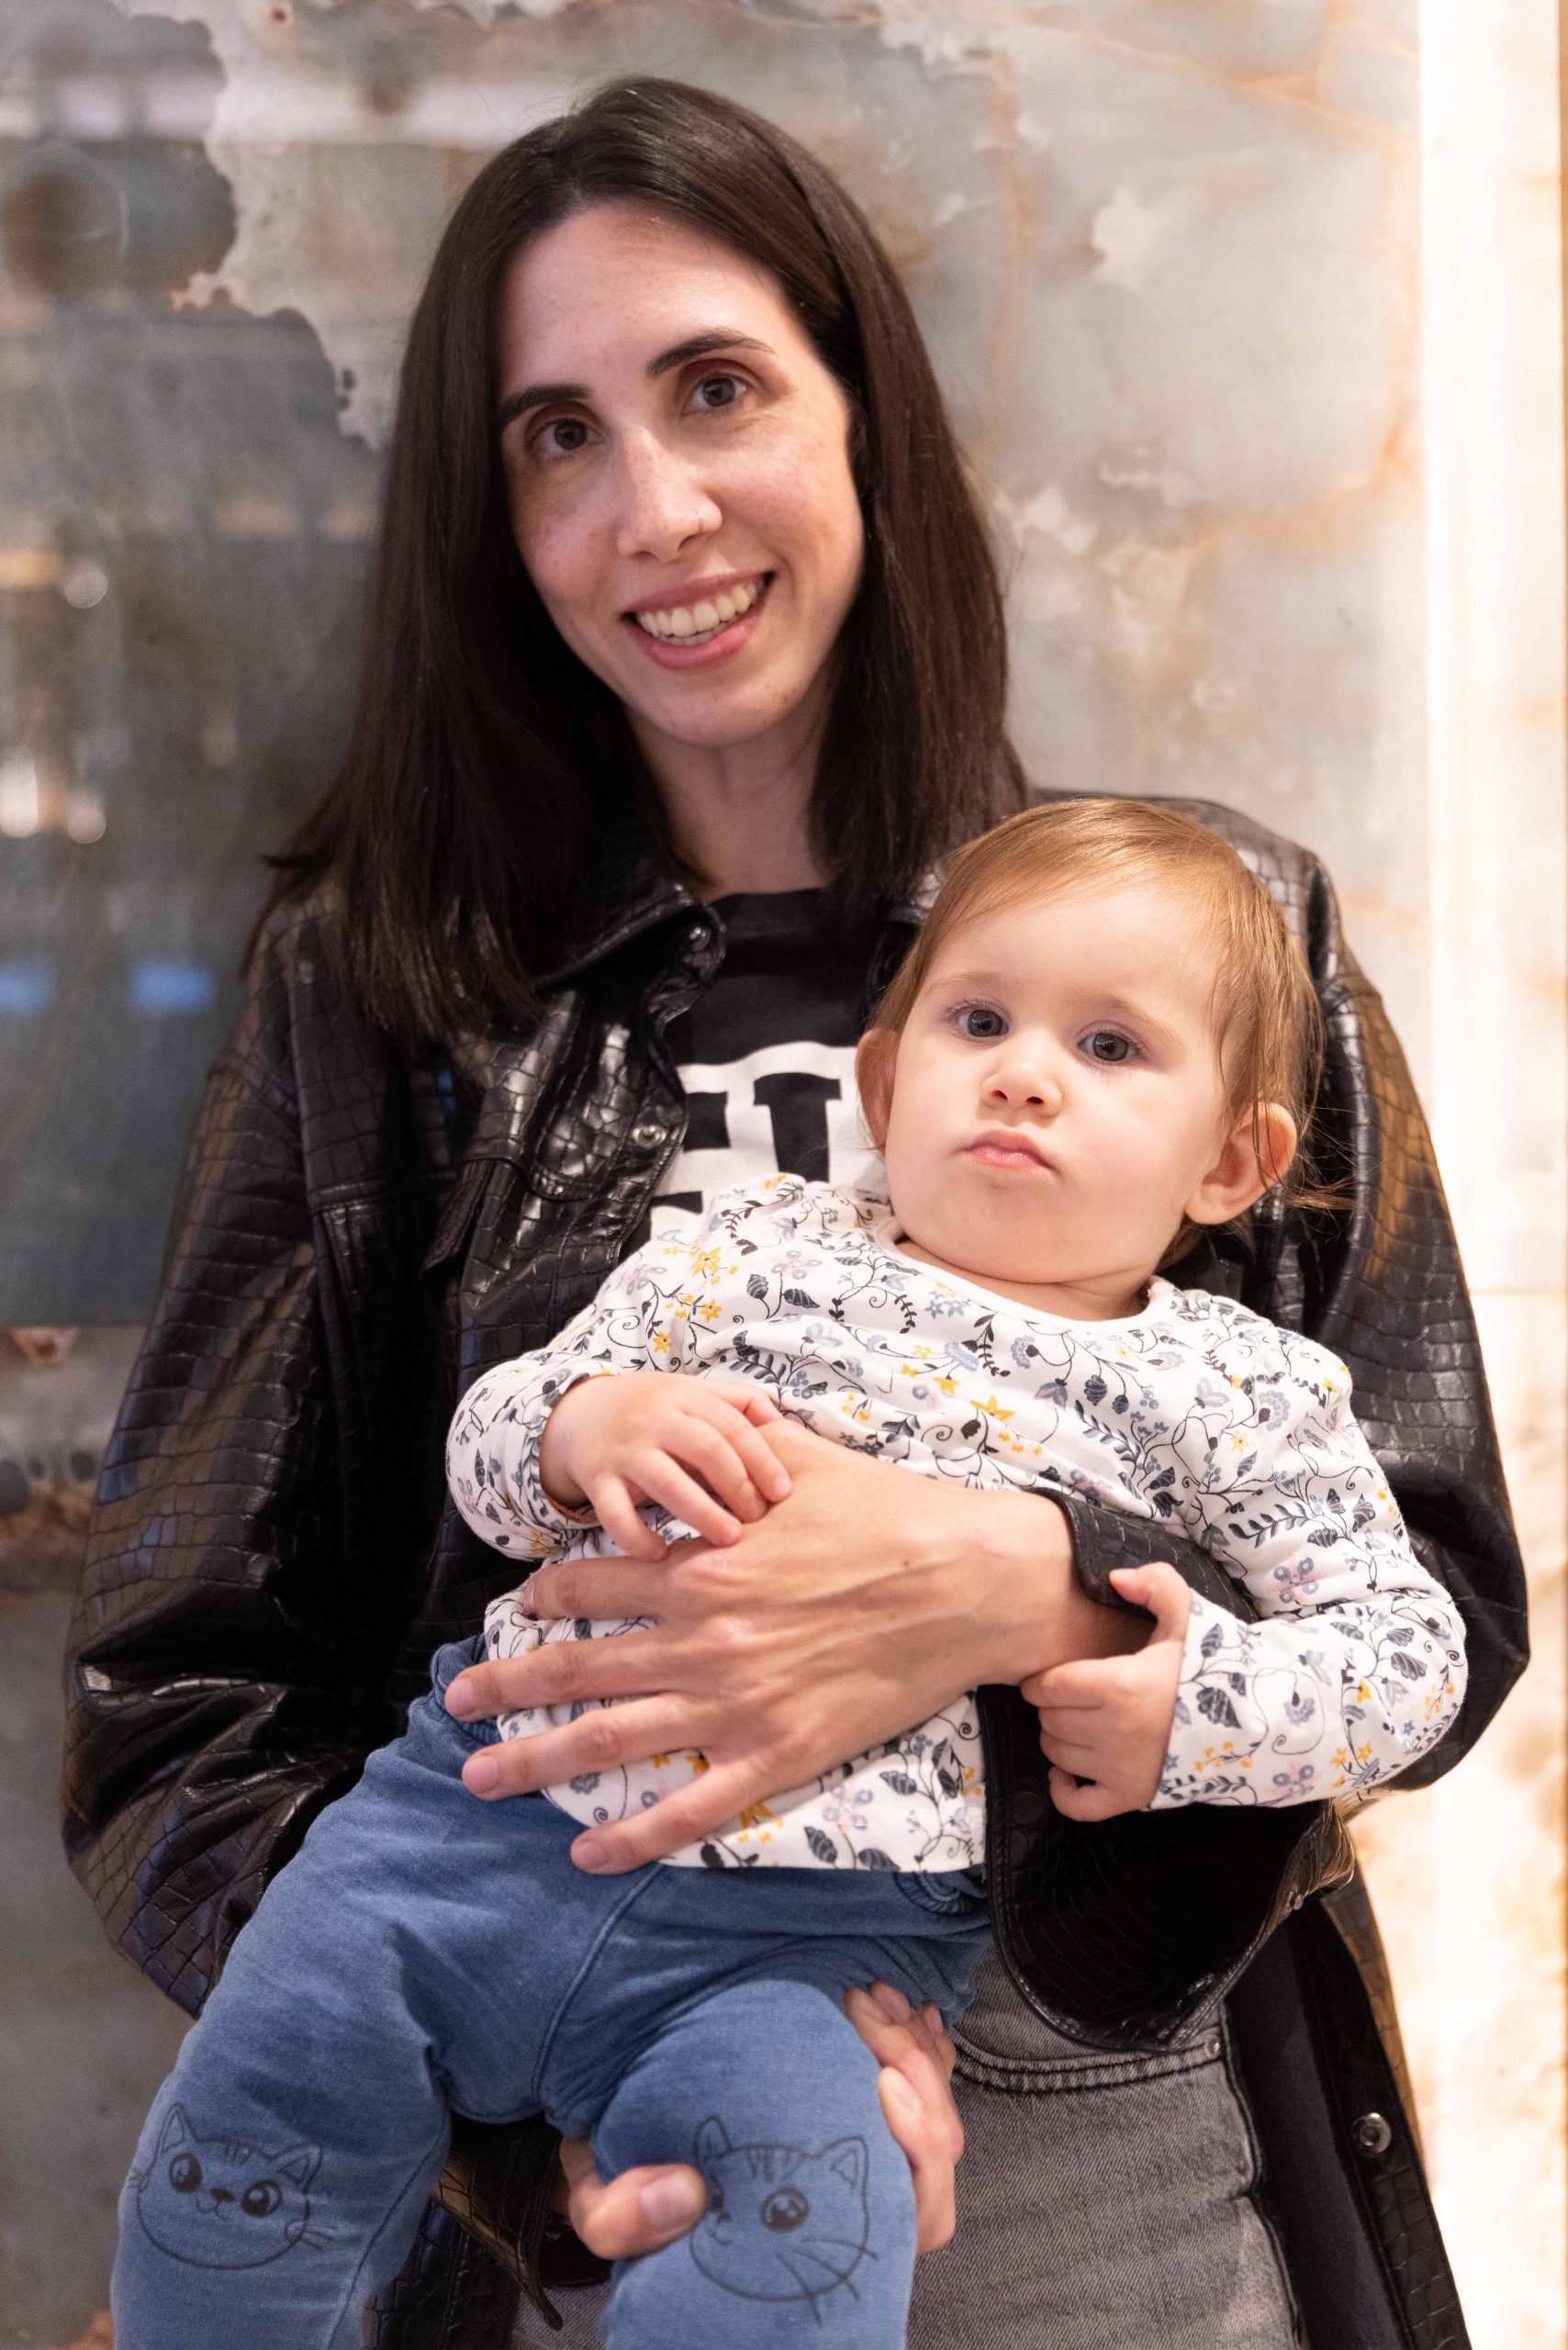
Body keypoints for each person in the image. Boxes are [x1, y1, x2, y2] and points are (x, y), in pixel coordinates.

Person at [64, 76, 1525, 2350]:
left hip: (1119, 2161)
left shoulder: (1213, 939)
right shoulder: (383, 989)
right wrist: (535, 2137)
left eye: (717, 388)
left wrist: (1018, 1580)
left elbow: (1428, 1608)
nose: (653, 508)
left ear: (860, 413)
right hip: (601, 2112)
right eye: (554, 437)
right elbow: (181, 1693)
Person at [106, 801, 1469, 2349]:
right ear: (883, 1086)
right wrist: (581, 1423)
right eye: (978, 1023)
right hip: (463, 1829)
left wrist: (1185, 1704)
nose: (1024, 1072)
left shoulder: (1242, 1389)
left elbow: (1413, 1652)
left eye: (1109, 1047)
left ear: (1231, 1160)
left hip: (810, 1952)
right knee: (248, 2137)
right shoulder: (745, 1246)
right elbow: (491, 1445)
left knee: (802, 2235)